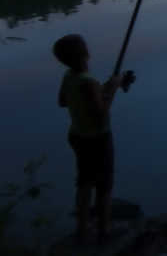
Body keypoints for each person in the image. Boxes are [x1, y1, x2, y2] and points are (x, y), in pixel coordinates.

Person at [52, 34, 122, 246]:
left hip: (77, 136)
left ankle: (82, 230)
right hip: (97, 139)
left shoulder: (69, 76)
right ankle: (104, 231)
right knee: (104, 185)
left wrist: (103, 89)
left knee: (84, 182)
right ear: (86, 54)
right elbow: (101, 115)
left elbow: (63, 102)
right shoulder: (89, 81)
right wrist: (112, 90)